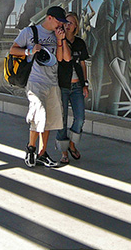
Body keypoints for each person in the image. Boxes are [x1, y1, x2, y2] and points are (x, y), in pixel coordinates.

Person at [10, 6, 71, 168]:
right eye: (58, 21)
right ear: (49, 18)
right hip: (35, 81)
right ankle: (31, 148)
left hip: (52, 81)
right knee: (39, 114)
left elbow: (59, 59)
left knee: (49, 118)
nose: (60, 25)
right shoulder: (29, 32)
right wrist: (30, 51)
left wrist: (60, 40)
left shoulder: (56, 35)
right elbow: (13, 50)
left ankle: (42, 153)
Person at [55, 11, 90, 164]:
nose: (68, 25)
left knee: (80, 118)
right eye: (66, 22)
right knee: (61, 120)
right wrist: (60, 40)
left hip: (77, 85)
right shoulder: (58, 41)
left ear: (76, 26)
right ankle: (63, 152)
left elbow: (82, 63)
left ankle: (72, 144)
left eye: (71, 23)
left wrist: (85, 84)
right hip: (62, 85)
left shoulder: (79, 43)